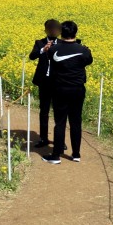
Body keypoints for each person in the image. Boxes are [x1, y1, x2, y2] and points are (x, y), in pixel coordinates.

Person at [42, 20, 93, 165]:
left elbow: (50, 58)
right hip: (77, 90)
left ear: (61, 33)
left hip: (60, 90)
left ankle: (56, 155)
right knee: (76, 121)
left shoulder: (53, 50)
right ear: (75, 33)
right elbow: (88, 61)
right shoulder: (84, 50)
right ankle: (76, 154)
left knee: (60, 122)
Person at [28, 19, 61, 149]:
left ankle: (59, 140)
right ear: (45, 30)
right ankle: (43, 138)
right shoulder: (39, 42)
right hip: (44, 82)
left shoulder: (63, 44)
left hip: (58, 82)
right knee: (44, 111)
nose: (53, 31)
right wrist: (42, 49)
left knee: (59, 113)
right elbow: (32, 56)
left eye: (55, 29)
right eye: (50, 28)